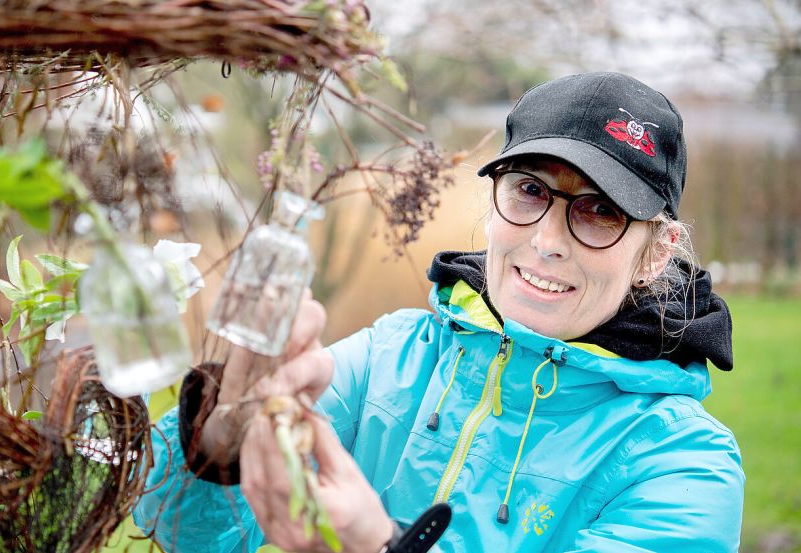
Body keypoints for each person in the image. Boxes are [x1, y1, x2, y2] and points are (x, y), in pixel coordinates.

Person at [133, 72, 744, 552]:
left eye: (599, 211)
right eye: (530, 190)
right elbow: (185, 531)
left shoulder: (681, 465)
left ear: (655, 252)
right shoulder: (388, 358)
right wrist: (217, 443)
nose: (549, 241)